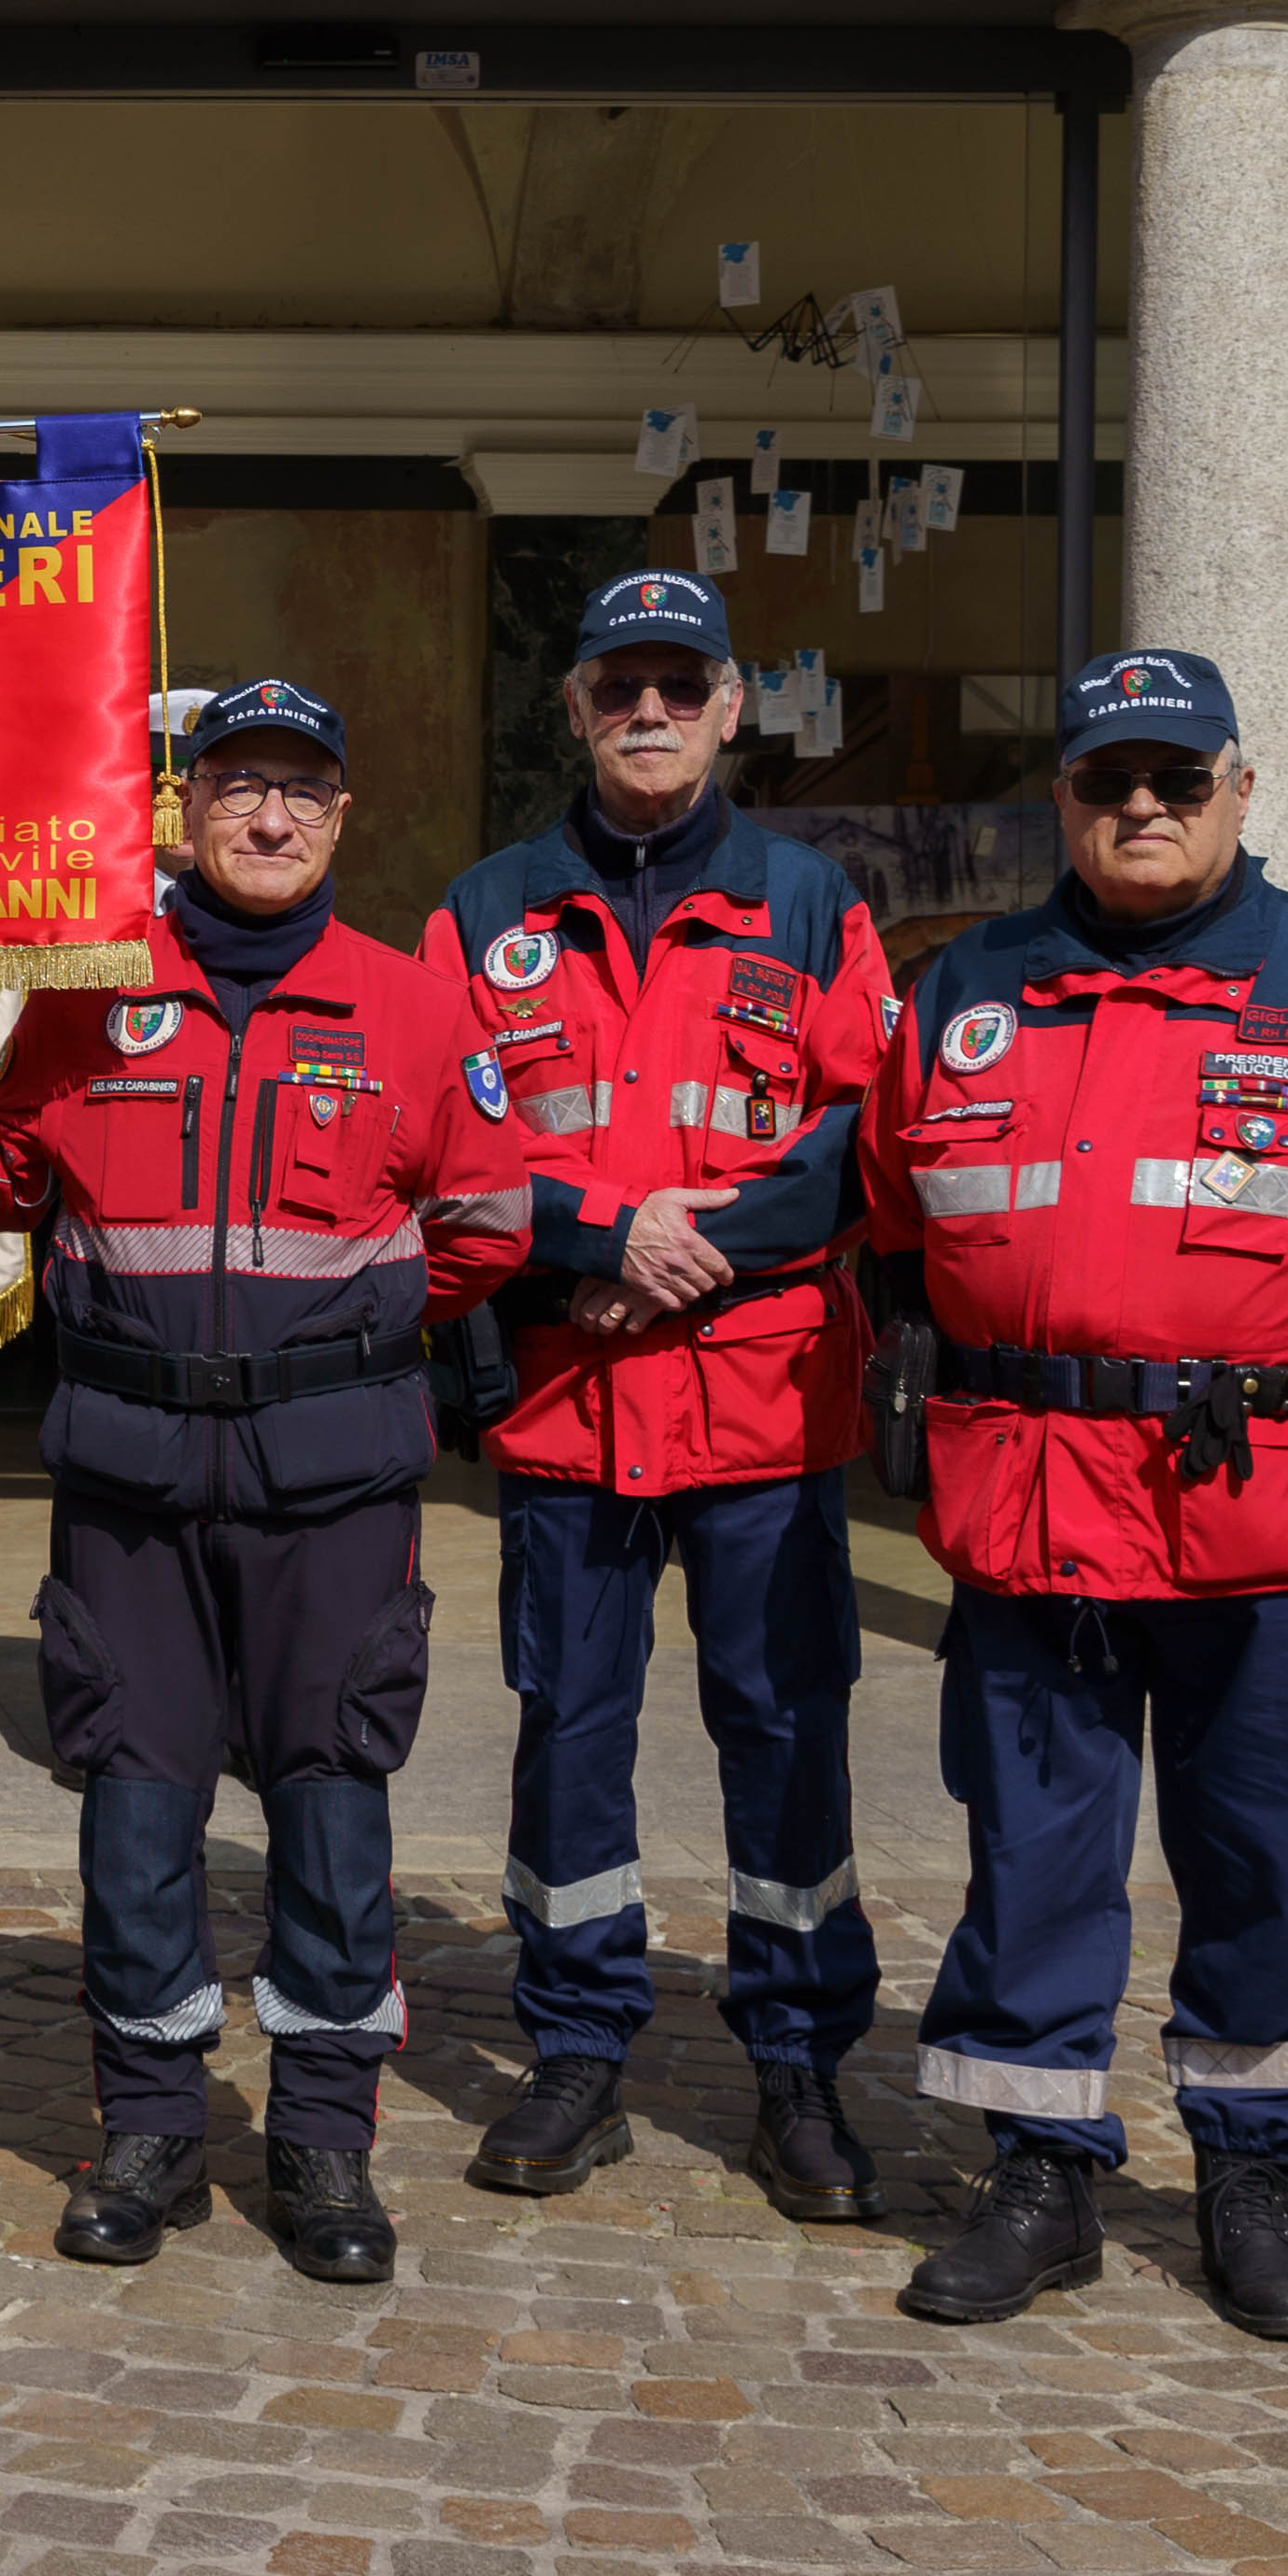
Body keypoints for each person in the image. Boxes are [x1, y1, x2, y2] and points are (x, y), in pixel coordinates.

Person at [0, 677, 529, 2286]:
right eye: (236, 787)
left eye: (299, 790)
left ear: (342, 816)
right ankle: (146, 2121)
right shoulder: (92, 991)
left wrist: (332, 1351)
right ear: (184, 812)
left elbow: (487, 1231)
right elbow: (1, 1178)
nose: (267, 817)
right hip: (129, 1481)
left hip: (331, 1492)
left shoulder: (415, 1009)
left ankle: (326, 2142)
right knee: (136, 1815)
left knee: (335, 1815)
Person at [875, 648, 1288, 2344]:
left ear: (1242, 791)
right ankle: (1043, 2174)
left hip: (1264, 1525)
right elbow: (893, 1219)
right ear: (1067, 802)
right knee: (1032, 1863)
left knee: (1258, 1862)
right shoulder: (972, 989)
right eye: (1111, 783)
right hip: (1033, 1517)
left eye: (1179, 781)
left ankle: (1254, 2173)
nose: (1145, 810)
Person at [416, 569, 897, 2220]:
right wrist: (598, 1234)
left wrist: (691, 1251)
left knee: (784, 1734)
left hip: (763, 1403)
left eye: (679, 685)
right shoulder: (484, 912)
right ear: (573, 703)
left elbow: (864, 1140)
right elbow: (448, 1146)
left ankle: (799, 2068)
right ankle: (577, 2051)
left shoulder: (814, 905)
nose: (648, 709)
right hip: (571, 1396)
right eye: (620, 682)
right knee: (571, 1739)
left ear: (729, 705)